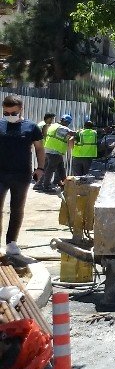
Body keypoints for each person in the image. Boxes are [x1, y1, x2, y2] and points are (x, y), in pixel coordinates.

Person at [0, 96, 44, 256]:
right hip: (1, 174)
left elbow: (39, 149)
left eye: (13, 112)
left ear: (21, 110)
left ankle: (11, 242)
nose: (10, 115)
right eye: (6, 112)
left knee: (16, 208)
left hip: (21, 175)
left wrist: (40, 168)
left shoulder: (31, 127)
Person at [37, 113, 74, 192]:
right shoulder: (62, 127)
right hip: (55, 152)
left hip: (49, 150)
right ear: (65, 121)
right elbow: (72, 133)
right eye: (68, 123)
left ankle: (64, 184)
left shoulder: (53, 125)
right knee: (50, 170)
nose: (68, 125)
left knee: (60, 169)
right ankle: (46, 186)